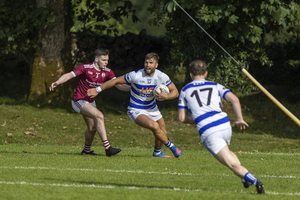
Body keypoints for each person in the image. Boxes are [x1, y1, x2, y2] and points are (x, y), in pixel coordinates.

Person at [177, 60, 265, 194]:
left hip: (209, 130)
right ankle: (244, 179)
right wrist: (240, 119)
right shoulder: (215, 85)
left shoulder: (184, 90)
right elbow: (235, 99)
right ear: (206, 73)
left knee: (231, 164)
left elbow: (181, 118)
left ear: (190, 74)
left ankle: (255, 182)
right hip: (224, 125)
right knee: (228, 152)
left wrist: (193, 120)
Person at [87, 52, 182, 158]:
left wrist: (166, 97)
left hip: (152, 108)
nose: (148, 65)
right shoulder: (136, 75)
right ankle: (172, 147)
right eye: (146, 62)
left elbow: (175, 92)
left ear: (156, 65)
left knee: (163, 131)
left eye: (151, 63)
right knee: (155, 126)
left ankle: (157, 153)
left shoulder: (162, 76)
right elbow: (115, 81)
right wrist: (97, 90)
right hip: (136, 109)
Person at [49, 48, 131, 156]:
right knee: (99, 116)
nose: (106, 63)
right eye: (104, 60)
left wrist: (133, 89)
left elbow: (118, 85)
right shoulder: (85, 68)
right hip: (78, 100)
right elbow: (69, 75)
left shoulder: (107, 71)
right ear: (96, 59)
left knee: (92, 128)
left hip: (90, 102)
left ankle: (86, 151)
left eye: (107, 60)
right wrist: (57, 82)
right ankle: (108, 148)